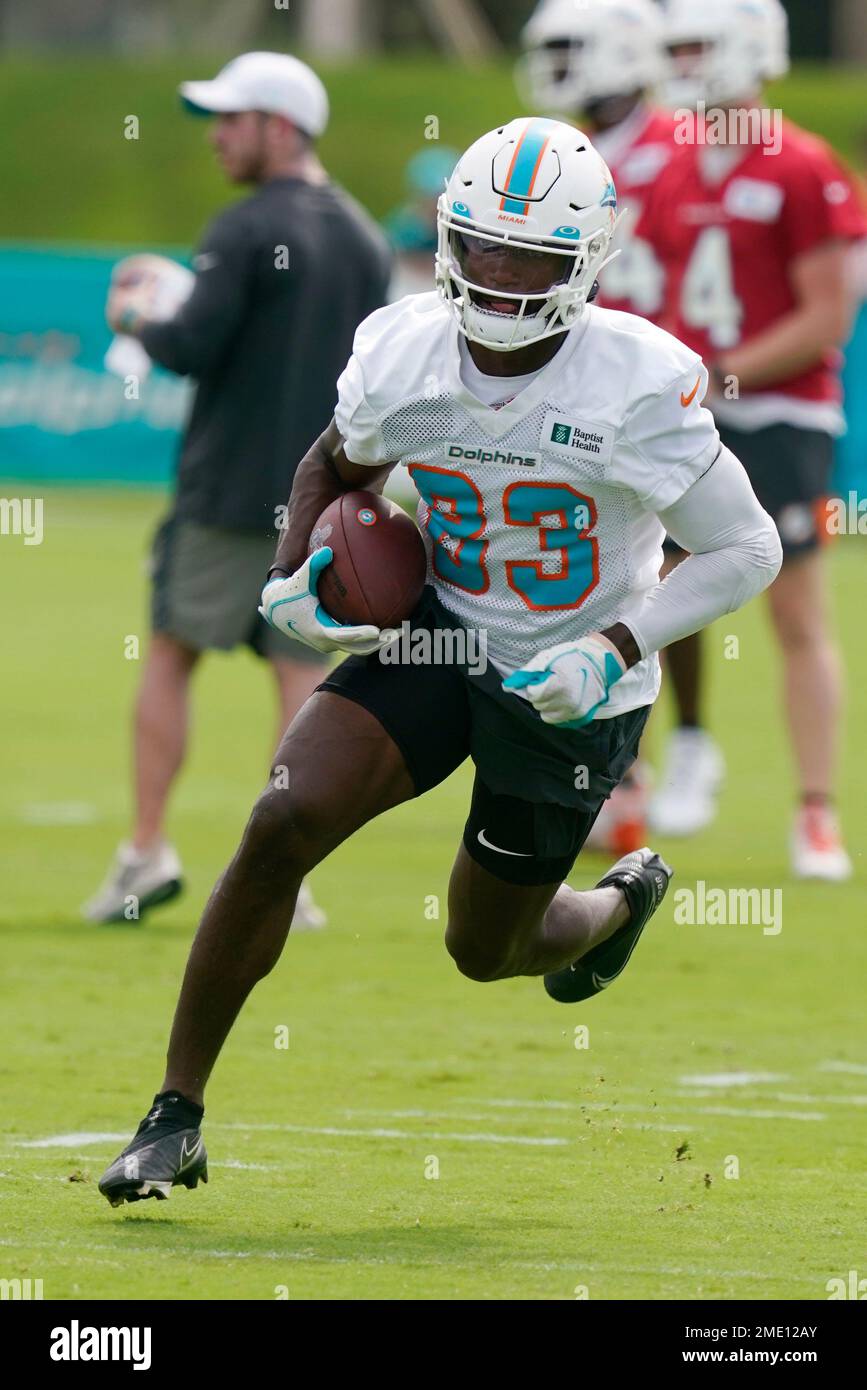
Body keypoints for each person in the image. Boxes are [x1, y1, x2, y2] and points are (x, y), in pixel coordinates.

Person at [97, 119, 781, 1207]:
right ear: (452, 240)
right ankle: (173, 1114)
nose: (503, 280)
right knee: (281, 821)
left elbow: (749, 545)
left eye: (533, 259)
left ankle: (612, 909)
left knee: (486, 945)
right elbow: (336, 459)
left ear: (590, 259)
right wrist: (293, 572)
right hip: (439, 626)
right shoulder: (404, 347)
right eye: (485, 249)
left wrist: (615, 648)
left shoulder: (640, 381)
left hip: (569, 673)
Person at [83, 51, 392, 928]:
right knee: (300, 678)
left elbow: (187, 346)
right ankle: (285, 876)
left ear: (280, 127)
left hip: (223, 496)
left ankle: (144, 852)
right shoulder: (365, 238)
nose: (217, 136)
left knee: (173, 654)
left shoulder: (246, 226)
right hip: (319, 499)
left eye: (231, 119)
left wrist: (136, 313)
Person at [638, 0, 866, 875]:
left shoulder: (804, 166)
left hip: (779, 414)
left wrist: (720, 374)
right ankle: (660, 762)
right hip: (693, 414)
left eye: (698, 44)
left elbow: (826, 318)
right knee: (655, 587)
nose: (686, 63)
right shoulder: (671, 167)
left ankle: (815, 811)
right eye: (677, 47)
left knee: (795, 610)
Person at [517, 0, 676, 853]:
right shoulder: (556, 151)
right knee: (561, 565)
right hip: (559, 383)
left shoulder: (670, 154)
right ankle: (595, 772)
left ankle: (642, 765)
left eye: (574, 48)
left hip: (645, 387)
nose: (559, 64)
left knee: (645, 570)